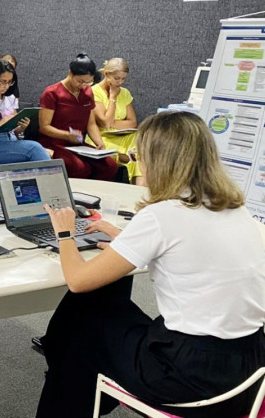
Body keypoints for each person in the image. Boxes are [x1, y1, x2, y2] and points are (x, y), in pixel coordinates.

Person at [36, 110, 265, 418]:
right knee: (103, 308)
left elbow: (77, 280)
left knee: (81, 323)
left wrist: (64, 232)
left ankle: (67, 381)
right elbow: (192, 249)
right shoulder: (237, 210)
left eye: (139, 156)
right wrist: (126, 240)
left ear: (156, 162)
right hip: (248, 370)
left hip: (189, 378)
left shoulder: (162, 215)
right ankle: (79, 378)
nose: (138, 162)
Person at [38, 54, 118, 180]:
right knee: (79, 168)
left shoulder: (87, 92)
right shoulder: (52, 92)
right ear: (70, 73)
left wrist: (99, 143)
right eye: (80, 81)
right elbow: (44, 127)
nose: (83, 85)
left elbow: (91, 124)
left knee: (110, 166)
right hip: (54, 143)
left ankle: (93, 191)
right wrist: (67, 135)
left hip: (77, 144)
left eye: (88, 82)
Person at [90, 58, 141, 184]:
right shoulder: (94, 92)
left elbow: (133, 123)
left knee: (140, 145)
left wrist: (112, 123)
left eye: (123, 79)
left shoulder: (125, 93)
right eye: (117, 78)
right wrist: (113, 97)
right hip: (101, 137)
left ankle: (138, 188)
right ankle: (126, 166)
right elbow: (104, 123)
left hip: (121, 136)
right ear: (107, 74)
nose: (120, 82)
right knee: (130, 155)